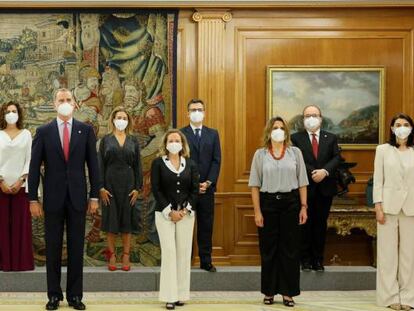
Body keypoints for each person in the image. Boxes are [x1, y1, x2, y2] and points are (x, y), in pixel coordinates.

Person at [28, 88, 100, 311]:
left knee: (77, 248)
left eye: (69, 99)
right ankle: (53, 295)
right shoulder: (43, 131)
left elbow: (93, 166)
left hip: (78, 198)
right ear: (54, 103)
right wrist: (33, 199)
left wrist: (94, 195)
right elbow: (33, 168)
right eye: (61, 100)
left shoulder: (86, 131)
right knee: (53, 248)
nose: (65, 103)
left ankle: (75, 296)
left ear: (75, 103)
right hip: (52, 198)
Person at [249, 116, 308, 307]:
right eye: (275, 127)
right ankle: (269, 291)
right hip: (268, 204)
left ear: (286, 132)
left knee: (289, 250)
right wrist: (257, 212)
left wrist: (304, 207)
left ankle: (288, 293)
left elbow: (302, 182)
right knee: (269, 250)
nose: (278, 131)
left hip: (291, 204)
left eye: (282, 128)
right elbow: (255, 186)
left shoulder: (295, 153)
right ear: (269, 131)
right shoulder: (260, 155)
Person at [151, 129, 199, 310]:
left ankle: (181, 294)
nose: (173, 142)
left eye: (177, 140)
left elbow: (195, 190)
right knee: (170, 253)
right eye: (170, 140)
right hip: (164, 215)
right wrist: (170, 211)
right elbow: (156, 189)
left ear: (182, 144)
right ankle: (169, 296)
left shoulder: (191, 164)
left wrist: (185, 210)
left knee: (183, 254)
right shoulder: (158, 163)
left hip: (186, 216)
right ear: (165, 143)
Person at [291, 105, 341, 272]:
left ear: (321, 118)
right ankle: (304, 260)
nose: (311, 118)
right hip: (304, 188)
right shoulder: (296, 138)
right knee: (304, 225)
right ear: (303, 119)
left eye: (314, 115)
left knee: (320, 225)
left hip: (325, 189)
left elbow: (336, 158)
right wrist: (313, 172)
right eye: (307, 115)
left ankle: (318, 260)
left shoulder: (331, 137)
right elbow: (296, 160)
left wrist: (325, 171)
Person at [373, 113, 414, 311]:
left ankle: (408, 297)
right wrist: (378, 206)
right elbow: (378, 180)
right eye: (398, 124)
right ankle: (389, 296)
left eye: (406, 124)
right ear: (392, 128)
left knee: (409, 256)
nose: (402, 127)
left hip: (412, 208)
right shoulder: (382, 150)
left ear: (411, 128)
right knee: (387, 254)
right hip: (388, 208)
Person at [98, 106, 143, 271]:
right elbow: (100, 165)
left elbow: (138, 164)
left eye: (124, 118)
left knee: (126, 221)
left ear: (128, 121)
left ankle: (125, 255)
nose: (121, 120)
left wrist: (138, 188)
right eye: (119, 117)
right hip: (109, 185)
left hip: (129, 185)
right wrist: (101, 187)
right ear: (113, 119)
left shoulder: (133, 140)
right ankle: (112, 256)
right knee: (111, 221)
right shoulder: (106, 140)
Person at [181, 99, 221, 272]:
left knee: (206, 225)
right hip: (186, 190)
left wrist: (208, 182)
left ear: (204, 112)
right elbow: (179, 160)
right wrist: (193, 184)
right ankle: (184, 261)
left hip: (207, 189)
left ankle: (206, 260)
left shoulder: (213, 134)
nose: (196, 112)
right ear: (187, 113)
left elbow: (216, 160)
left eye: (199, 109)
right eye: (193, 109)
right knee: (185, 227)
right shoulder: (180, 134)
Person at [0, 102, 34, 271]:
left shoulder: (26, 134)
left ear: (19, 114)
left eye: (14, 111)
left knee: (21, 225)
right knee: (2, 225)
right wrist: (1, 182)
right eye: (8, 111)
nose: (11, 114)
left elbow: (30, 159)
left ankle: (22, 263)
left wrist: (21, 180)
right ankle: (4, 262)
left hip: (21, 186)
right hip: (1, 187)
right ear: (3, 114)